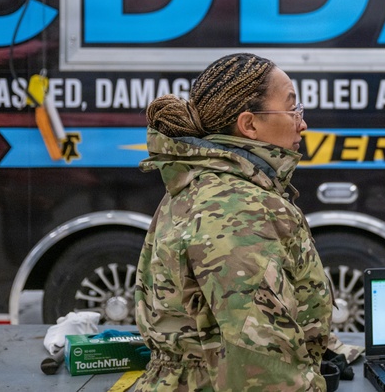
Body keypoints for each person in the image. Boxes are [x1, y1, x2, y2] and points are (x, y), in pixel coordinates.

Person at [134, 52, 332, 391]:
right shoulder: (240, 209)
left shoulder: (208, 186)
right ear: (249, 124)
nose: (302, 123)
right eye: (292, 109)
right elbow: (260, 366)